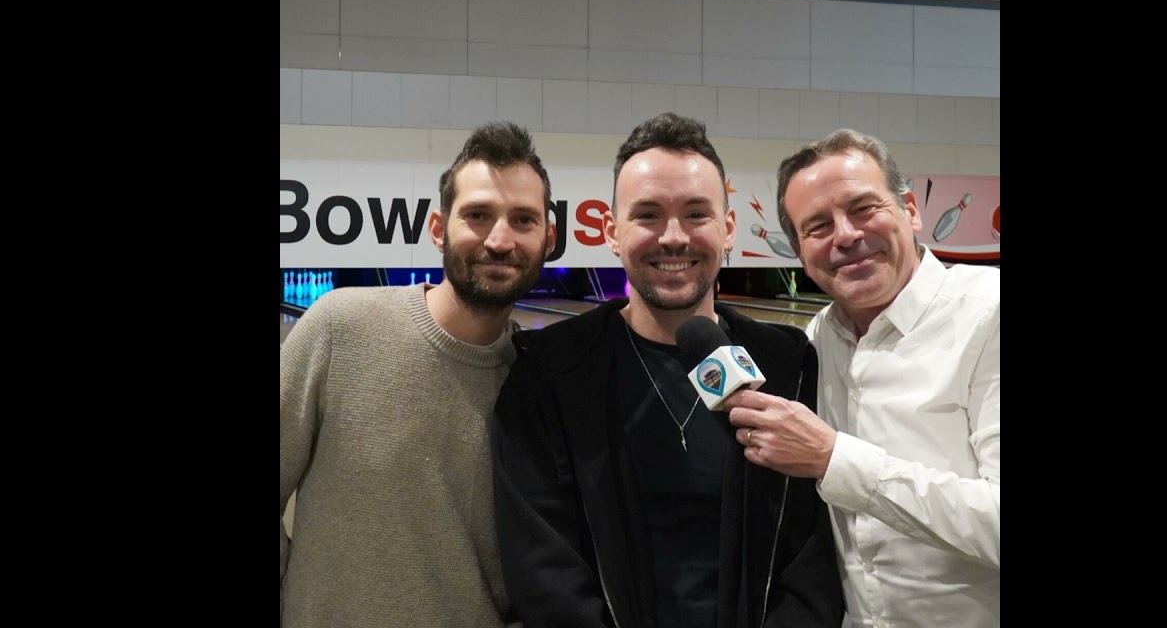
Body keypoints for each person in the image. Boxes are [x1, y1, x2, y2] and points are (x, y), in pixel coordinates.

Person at [490, 112, 844, 628]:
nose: (673, 237)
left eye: (696, 214)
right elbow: (543, 571)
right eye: (648, 214)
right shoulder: (550, 372)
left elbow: (812, 556)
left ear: (727, 229)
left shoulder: (787, 363)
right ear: (611, 232)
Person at [279, 121, 557, 627]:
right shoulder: (339, 328)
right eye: (477, 215)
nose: (500, 239)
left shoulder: (542, 382)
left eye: (523, 219)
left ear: (548, 237)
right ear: (437, 228)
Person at [721, 128, 1000, 627]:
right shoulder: (813, 341)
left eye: (863, 208)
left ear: (910, 209)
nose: (846, 235)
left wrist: (834, 459)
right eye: (818, 226)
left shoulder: (989, 315)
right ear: (799, 250)